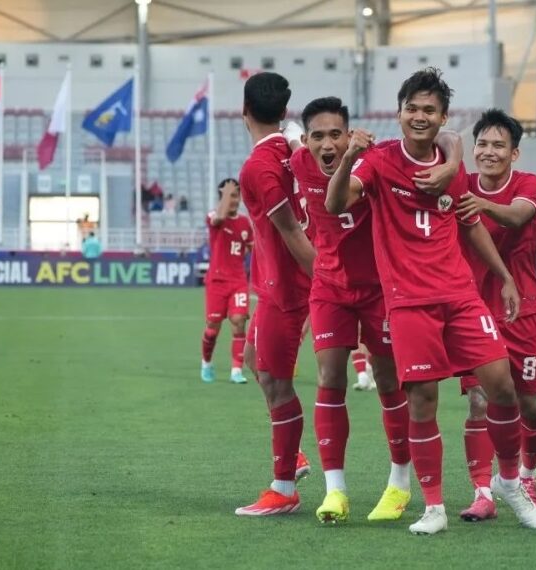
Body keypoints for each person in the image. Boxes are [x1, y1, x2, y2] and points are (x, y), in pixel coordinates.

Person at [327, 68, 536, 535]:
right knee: (422, 401)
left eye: (429, 110)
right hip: (408, 303)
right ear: (399, 113)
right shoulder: (380, 161)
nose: (420, 117)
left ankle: (509, 482)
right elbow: (335, 204)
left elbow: (469, 222)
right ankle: (434, 507)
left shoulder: (453, 169)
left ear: (442, 117)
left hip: (461, 296)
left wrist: (505, 276)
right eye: (412, 109)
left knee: (502, 386)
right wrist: (347, 159)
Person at [288, 96, 462, 524]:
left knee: (389, 382)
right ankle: (335, 491)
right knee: (330, 377)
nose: (327, 144)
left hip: (383, 289)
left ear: (349, 134)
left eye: (335, 134)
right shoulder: (296, 164)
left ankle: (399, 484)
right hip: (330, 287)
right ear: (305, 140)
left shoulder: (377, 157)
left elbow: (449, 134)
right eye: (317, 137)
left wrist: (454, 162)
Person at [453, 109, 536, 520]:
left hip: (522, 305)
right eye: (482, 144)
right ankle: (483, 493)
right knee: (479, 400)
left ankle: (527, 476)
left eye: (498, 146)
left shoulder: (528, 184)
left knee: (528, 403)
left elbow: (517, 215)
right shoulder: (461, 182)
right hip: (474, 306)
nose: (488, 152)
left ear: (514, 153)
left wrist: (480, 203)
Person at [233, 72, 317, 517]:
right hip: (277, 285)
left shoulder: (258, 168)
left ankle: (284, 485)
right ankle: (295, 456)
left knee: (277, 383)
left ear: (243, 110)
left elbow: (290, 233)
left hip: (287, 288)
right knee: (254, 361)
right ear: (284, 111)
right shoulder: (291, 147)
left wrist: (325, 286)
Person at [199, 178, 254, 384]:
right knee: (212, 328)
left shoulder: (244, 222)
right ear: (222, 197)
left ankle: (236, 371)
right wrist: (226, 194)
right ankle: (206, 362)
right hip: (216, 282)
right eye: (230, 195)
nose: (234, 200)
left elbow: (253, 248)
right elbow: (219, 217)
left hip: (238, 281)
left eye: (236, 195)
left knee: (239, 321)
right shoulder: (214, 215)